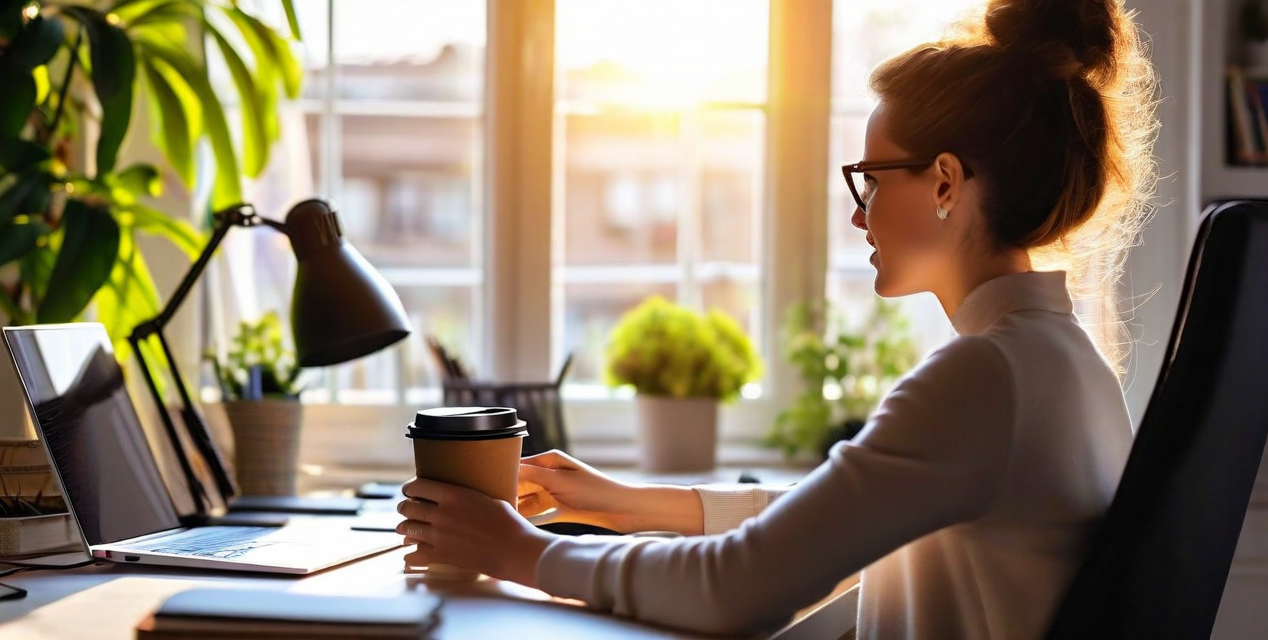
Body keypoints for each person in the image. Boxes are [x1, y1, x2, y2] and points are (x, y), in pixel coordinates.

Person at [396, 0, 1159, 636]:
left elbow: (740, 586)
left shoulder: (986, 377)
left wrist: (520, 552)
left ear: (946, 184)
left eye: (870, 179)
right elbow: (834, 520)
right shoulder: (1061, 360)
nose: (858, 216)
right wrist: (617, 502)